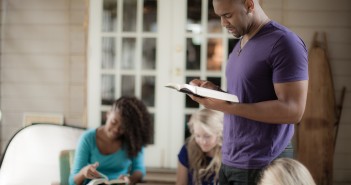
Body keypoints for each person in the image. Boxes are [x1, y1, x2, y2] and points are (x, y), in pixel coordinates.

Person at [188, 0, 309, 184]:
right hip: (230, 159)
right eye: (219, 16)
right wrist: (215, 92)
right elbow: (244, 97)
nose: (223, 23)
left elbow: (293, 111)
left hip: (263, 163)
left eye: (227, 15)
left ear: (249, 5)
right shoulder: (241, 42)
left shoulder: (285, 43)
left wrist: (227, 106)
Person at [69, 96, 153, 185]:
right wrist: (83, 173)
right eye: (114, 122)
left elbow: (139, 169)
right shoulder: (87, 138)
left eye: (123, 127)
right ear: (108, 114)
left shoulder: (132, 140)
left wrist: (131, 179)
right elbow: (72, 182)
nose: (116, 129)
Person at [176, 109, 224, 185]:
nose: (203, 142)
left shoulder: (228, 153)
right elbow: (181, 183)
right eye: (198, 135)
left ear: (219, 133)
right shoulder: (187, 150)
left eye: (207, 136)